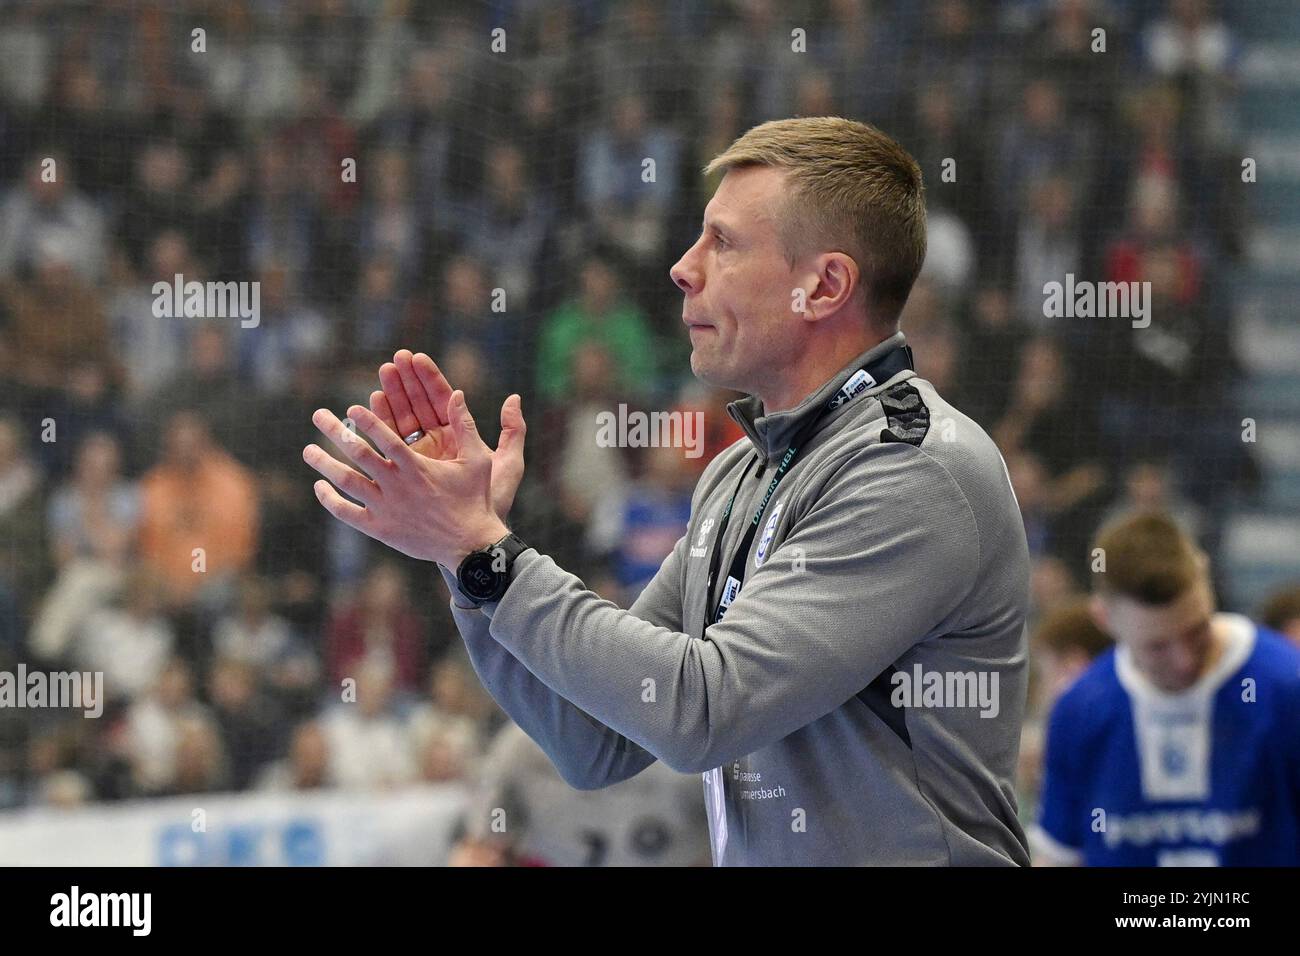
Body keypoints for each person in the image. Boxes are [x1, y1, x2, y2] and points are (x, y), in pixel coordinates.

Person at [303, 116, 1031, 865]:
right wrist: (465, 560)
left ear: (826, 285)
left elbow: (703, 710)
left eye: (723, 242)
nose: (684, 268)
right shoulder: (739, 474)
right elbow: (596, 743)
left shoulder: (912, 468)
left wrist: (486, 551)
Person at [1031, 512, 1300, 866]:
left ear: (1204, 578)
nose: (1185, 660)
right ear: (1105, 619)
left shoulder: (1285, 688)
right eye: (1157, 646)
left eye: (1197, 631)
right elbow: (1059, 856)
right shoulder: (1080, 709)